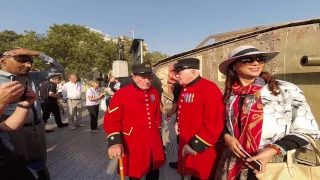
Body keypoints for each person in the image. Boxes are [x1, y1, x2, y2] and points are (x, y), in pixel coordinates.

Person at [215, 45, 320, 180]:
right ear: (233, 66)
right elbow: (224, 124)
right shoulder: (231, 94)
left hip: (273, 166)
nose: (255, 63)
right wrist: (227, 137)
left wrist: (271, 150)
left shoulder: (285, 90)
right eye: (247, 60)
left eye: (260, 59)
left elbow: (309, 130)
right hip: (234, 164)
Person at [0, 48, 64, 179]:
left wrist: (38, 53)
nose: (28, 65)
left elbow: (59, 70)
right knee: (18, 167)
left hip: (38, 127)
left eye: (31, 62)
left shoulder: (33, 76)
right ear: (3, 61)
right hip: (13, 132)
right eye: (22, 60)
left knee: (41, 165)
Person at [104, 62, 165, 180]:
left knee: (154, 172)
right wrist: (115, 142)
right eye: (143, 77)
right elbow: (111, 120)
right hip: (133, 143)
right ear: (134, 77)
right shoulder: (122, 93)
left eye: (149, 77)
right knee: (135, 173)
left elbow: (157, 116)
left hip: (153, 142)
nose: (147, 81)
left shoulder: (154, 92)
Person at [172, 58, 225, 180]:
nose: (176, 76)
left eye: (179, 73)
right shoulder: (185, 88)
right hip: (187, 140)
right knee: (192, 173)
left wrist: (195, 145)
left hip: (203, 147)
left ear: (193, 72)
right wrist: (177, 122)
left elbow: (215, 123)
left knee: (203, 175)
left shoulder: (209, 88)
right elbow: (185, 109)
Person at [0, 81, 38, 180]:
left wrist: (25, 104)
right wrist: (1, 102)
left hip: (8, 159)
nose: (27, 64)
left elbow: (6, 126)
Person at [165, 82, 182, 169]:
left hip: (181, 120)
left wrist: (168, 115)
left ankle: (181, 164)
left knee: (180, 141)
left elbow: (175, 106)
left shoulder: (177, 88)